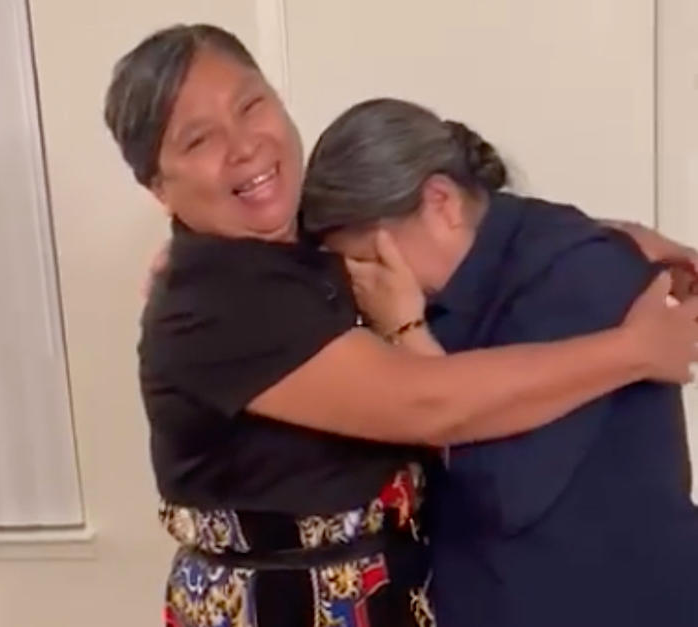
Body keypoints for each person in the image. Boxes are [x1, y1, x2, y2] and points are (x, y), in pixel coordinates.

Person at [103, 24, 698, 627]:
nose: (243, 145)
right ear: (159, 186)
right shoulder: (217, 301)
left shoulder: (291, 247)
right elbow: (432, 405)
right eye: (199, 139)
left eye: (250, 104)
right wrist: (636, 349)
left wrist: (615, 238)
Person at [300, 97, 698, 626]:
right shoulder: (463, 273)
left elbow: (498, 490)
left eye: (371, 259)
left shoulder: (579, 272)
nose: (364, 284)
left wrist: (407, 334)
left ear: (441, 202)